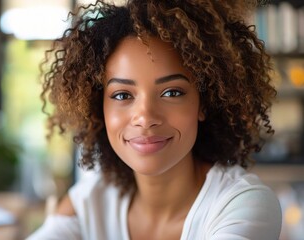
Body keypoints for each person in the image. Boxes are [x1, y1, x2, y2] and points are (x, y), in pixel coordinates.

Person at [28, 0, 282, 239]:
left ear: (203, 103)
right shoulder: (90, 202)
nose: (145, 118)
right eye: (122, 95)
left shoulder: (241, 203)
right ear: (98, 107)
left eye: (172, 92)